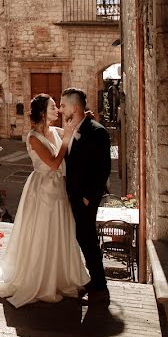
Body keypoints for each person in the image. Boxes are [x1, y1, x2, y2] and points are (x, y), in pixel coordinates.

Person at [0, 94, 91, 307]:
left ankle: (60, 277)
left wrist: (83, 120)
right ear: (43, 112)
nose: (57, 110)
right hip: (42, 190)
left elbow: (75, 131)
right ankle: (40, 280)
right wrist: (67, 138)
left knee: (59, 231)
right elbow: (52, 163)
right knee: (42, 232)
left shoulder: (55, 131)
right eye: (53, 107)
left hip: (58, 188)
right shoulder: (33, 137)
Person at [60, 87, 112, 298]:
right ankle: (93, 280)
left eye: (63, 105)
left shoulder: (97, 132)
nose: (61, 109)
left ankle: (99, 284)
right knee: (81, 237)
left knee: (87, 238)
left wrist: (89, 197)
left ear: (74, 107)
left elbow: (103, 169)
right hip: (72, 194)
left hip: (85, 199)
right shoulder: (72, 128)